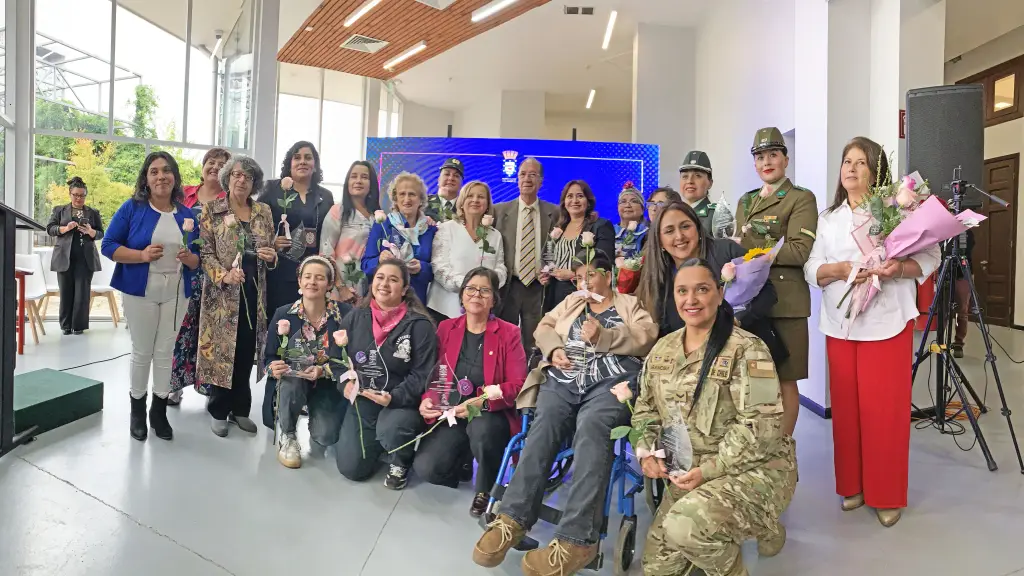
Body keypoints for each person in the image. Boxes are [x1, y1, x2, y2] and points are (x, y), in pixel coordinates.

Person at [472, 250, 658, 576]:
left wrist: (606, 336)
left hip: (610, 384)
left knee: (592, 428)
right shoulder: (572, 301)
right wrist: (555, 348)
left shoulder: (629, 305)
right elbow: (544, 326)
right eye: (580, 277)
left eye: (591, 275)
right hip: (563, 378)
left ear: (608, 276)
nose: (584, 282)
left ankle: (578, 540)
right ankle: (511, 519)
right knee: (542, 427)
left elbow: (647, 336)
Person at [804, 137, 940, 527]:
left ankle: (886, 493)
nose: (851, 168)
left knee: (885, 414)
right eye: (847, 161)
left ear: (877, 170)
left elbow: (929, 257)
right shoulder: (828, 217)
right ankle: (854, 485)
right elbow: (812, 268)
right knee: (846, 412)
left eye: (861, 162)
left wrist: (897, 269)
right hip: (841, 324)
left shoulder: (897, 212)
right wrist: (840, 271)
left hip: (887, 321)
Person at [638, 258, 797, 576]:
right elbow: (645, 409)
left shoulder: (747, 349)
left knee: (686, 528)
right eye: (682, 291)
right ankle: (731, 527)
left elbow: (761, 428)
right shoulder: (663, 350)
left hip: (754, 471)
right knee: (657, 569)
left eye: (702, 289)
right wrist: (646, 450)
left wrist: (709, 470)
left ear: (720, 293)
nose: (691, 300)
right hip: (689, 474)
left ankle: (753, 536)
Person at [102, 152, 201, 442]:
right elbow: (108, 246)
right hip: (140, 290)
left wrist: (190, 258)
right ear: (146, 178)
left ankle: (159, 411)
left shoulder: (187, 215)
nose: (161, 177)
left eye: (167, 171)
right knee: (143, 350)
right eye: (154, 171)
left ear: (175, 177)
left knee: (166, 352)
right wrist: (141, 255)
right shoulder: (132, 208)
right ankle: (137, 410)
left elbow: (198, 261)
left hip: (176, 293)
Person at [416, 268, 526, 516]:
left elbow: (518, 385)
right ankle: (464, 457)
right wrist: (427, 400)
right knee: (428, 469)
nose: (477, 294)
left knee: (482, 429)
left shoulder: (509, 333)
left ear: (494, 299)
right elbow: (435, 376)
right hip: (452, 410)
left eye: (485, 290)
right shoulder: (446, 327)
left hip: (488, 412)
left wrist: (481, 403)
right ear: (462, 295)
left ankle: (486, 490)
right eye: (471, 288)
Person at [734, 126, 818, 436]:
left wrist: (755, 253)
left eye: (773, 155)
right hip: (750, 303)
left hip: (785, 303)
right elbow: (738, 251)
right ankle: (757, 449)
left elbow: (798, 251)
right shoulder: (746, 201)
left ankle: (783, 451)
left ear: (785, 159)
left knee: (784, 380)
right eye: (760, 156)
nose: (766, 162)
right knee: (752, 380)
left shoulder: (800, 198)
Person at [636, 202, 783, 364]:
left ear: (698, 229)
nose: (679, 236)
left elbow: (769, 293)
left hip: (749, 352)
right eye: (669, 231)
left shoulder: (726, 251)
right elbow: (665, 328)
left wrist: (738, 320)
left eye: (685, 226)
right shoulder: (658, 275)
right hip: (693, 364)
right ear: (660, 241)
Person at [335, 259, 437, 490]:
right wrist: (346, 385)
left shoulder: (419, 325)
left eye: (393, 280)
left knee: (392, 429)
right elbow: (337, 359)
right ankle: (380, 443)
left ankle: (400, 460)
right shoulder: (355, 317)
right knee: (352, 469)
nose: (384, 284)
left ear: (404, 289)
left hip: (400, 403)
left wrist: (395, 397)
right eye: (380, 278)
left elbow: (423, 374)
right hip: (364, 399)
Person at [196, 156, 278, 438]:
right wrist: (224, 275)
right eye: (237, 175)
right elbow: (205, 254)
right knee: (222, 352)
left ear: (255, 183)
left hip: (255, 291)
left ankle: (240, 409)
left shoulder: (264, 212)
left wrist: (271, 255)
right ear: (228, 178)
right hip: (223, 295)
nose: (242, 180)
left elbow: (269, 252)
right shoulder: (211, 210)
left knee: (245, 351)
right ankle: (219, 409)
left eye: (248, 176)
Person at [266, 255, 352, 469]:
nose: (312, 282)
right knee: (290, 382)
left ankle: (316, 415)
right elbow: (268, 356)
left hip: (327, 383)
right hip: (293, 381)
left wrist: (324, 371)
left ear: (330, 284)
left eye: (320, 278)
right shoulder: (283, 314)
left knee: (325, 437)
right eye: (308, 277)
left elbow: (352, 359)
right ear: (299, 281)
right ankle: (288, 435)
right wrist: (272, 367)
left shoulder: (346, 315)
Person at [170, 147, 230, 404]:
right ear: (203, 166)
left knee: (211, 332)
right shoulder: (184, 195)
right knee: (180, 329)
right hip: (183, 273)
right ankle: (174, 385)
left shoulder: (231, 201)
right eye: (211, 162)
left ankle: (209, 388)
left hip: (215, 275)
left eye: (221, 164)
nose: (215, 167)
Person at [493, 157, 560, 353]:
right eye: (522, 174)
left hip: (539, 287)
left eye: (533, 175)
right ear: (517, 180)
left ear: (541, 181)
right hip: (509, 286)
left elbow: (562, 248)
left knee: (536, 342)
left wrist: (551, 269)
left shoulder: (554, 213)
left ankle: (533, 379)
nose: (527, 179)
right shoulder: (499, 211)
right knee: (504, 340)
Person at [263, 141, 335, 313]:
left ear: (315, 165)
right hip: (280, 271)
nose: (302, 161)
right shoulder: (274, 189)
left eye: (308, 158)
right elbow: (257, 223)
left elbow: (330, 234)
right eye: (297, 158)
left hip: (314, 275)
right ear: (289, 164)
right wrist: (272, 242)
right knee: (281, 323)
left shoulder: (326, 196)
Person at [428, 181, 507, 320]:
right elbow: (439, 268)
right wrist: (469, 287)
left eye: (481, 197)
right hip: (444, 310)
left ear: (488, 204)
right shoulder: (447, 229)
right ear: (462, 201)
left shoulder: (495, 235)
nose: (475, 200)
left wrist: (487, 287)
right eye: (470, 196)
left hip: (480, 311)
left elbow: (500, 267)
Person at [540, 180, 616, 312]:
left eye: (580, 196)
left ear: (588, 201)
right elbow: (547, 256)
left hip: (585, 293)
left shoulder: (601, 226)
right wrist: (545, 274)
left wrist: (572, 274)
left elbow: (604, 263)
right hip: (555, 294)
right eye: (570, 196)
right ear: (564, 202)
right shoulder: (558, 227)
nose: (575, 200)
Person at [362, 172, 436, 306]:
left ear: (421, 199)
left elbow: (436, 271)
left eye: (412, 194)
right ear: (395, 199)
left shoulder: (430, 229)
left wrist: (422, 268)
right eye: (402, 194)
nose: (407, 199)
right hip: (385, 300)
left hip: (417, 302)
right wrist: (379, 260)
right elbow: (365, 265)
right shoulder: (383, 225)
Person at [47, 176, 104, 335]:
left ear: (85, 195)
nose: (79, 198)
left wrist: (91, 232)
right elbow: (50, 229)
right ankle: (66, 326)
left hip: (85, 259)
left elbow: (101, 233)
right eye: (76, 195)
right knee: (66, 293)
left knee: (82, 294)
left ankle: (78, 326)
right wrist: (64, 228)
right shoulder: (59, 210)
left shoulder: (93, 212)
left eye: (82, 195)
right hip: (64, 257)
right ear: (70, 194)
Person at [319, 160, 381, 303]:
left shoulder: (377, 216)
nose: (358, 181)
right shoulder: (338, 211)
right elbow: (325, 252)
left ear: (371, 184)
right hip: (341, 288)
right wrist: (341, 288)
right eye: (354, 176)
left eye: (364, 177)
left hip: (371, 289)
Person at [951, 228, 976, 358]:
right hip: (945, 274)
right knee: (942, 310)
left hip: (963, 273)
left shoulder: (966, 231)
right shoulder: (941, 230)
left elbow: (967, 250)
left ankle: (958, 343)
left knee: (962, 310)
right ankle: (940, 343)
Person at [679, 150, 717, 232]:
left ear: (710, 183)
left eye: (697, 176)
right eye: (685, 176)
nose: (689, 181)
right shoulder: (675, 213)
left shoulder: (717, 216)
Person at [614, 182, 648, 259]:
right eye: (623, 201)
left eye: (634, 201)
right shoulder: (608, 231)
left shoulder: (648, 233)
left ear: (642, 209)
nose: (627, 205)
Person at [425, 158, 464, 222]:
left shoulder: (466, 208)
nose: (451, 178)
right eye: (447, 174)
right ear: (438, 179)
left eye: (456, 176)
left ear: (461, 183)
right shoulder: (423, 203)